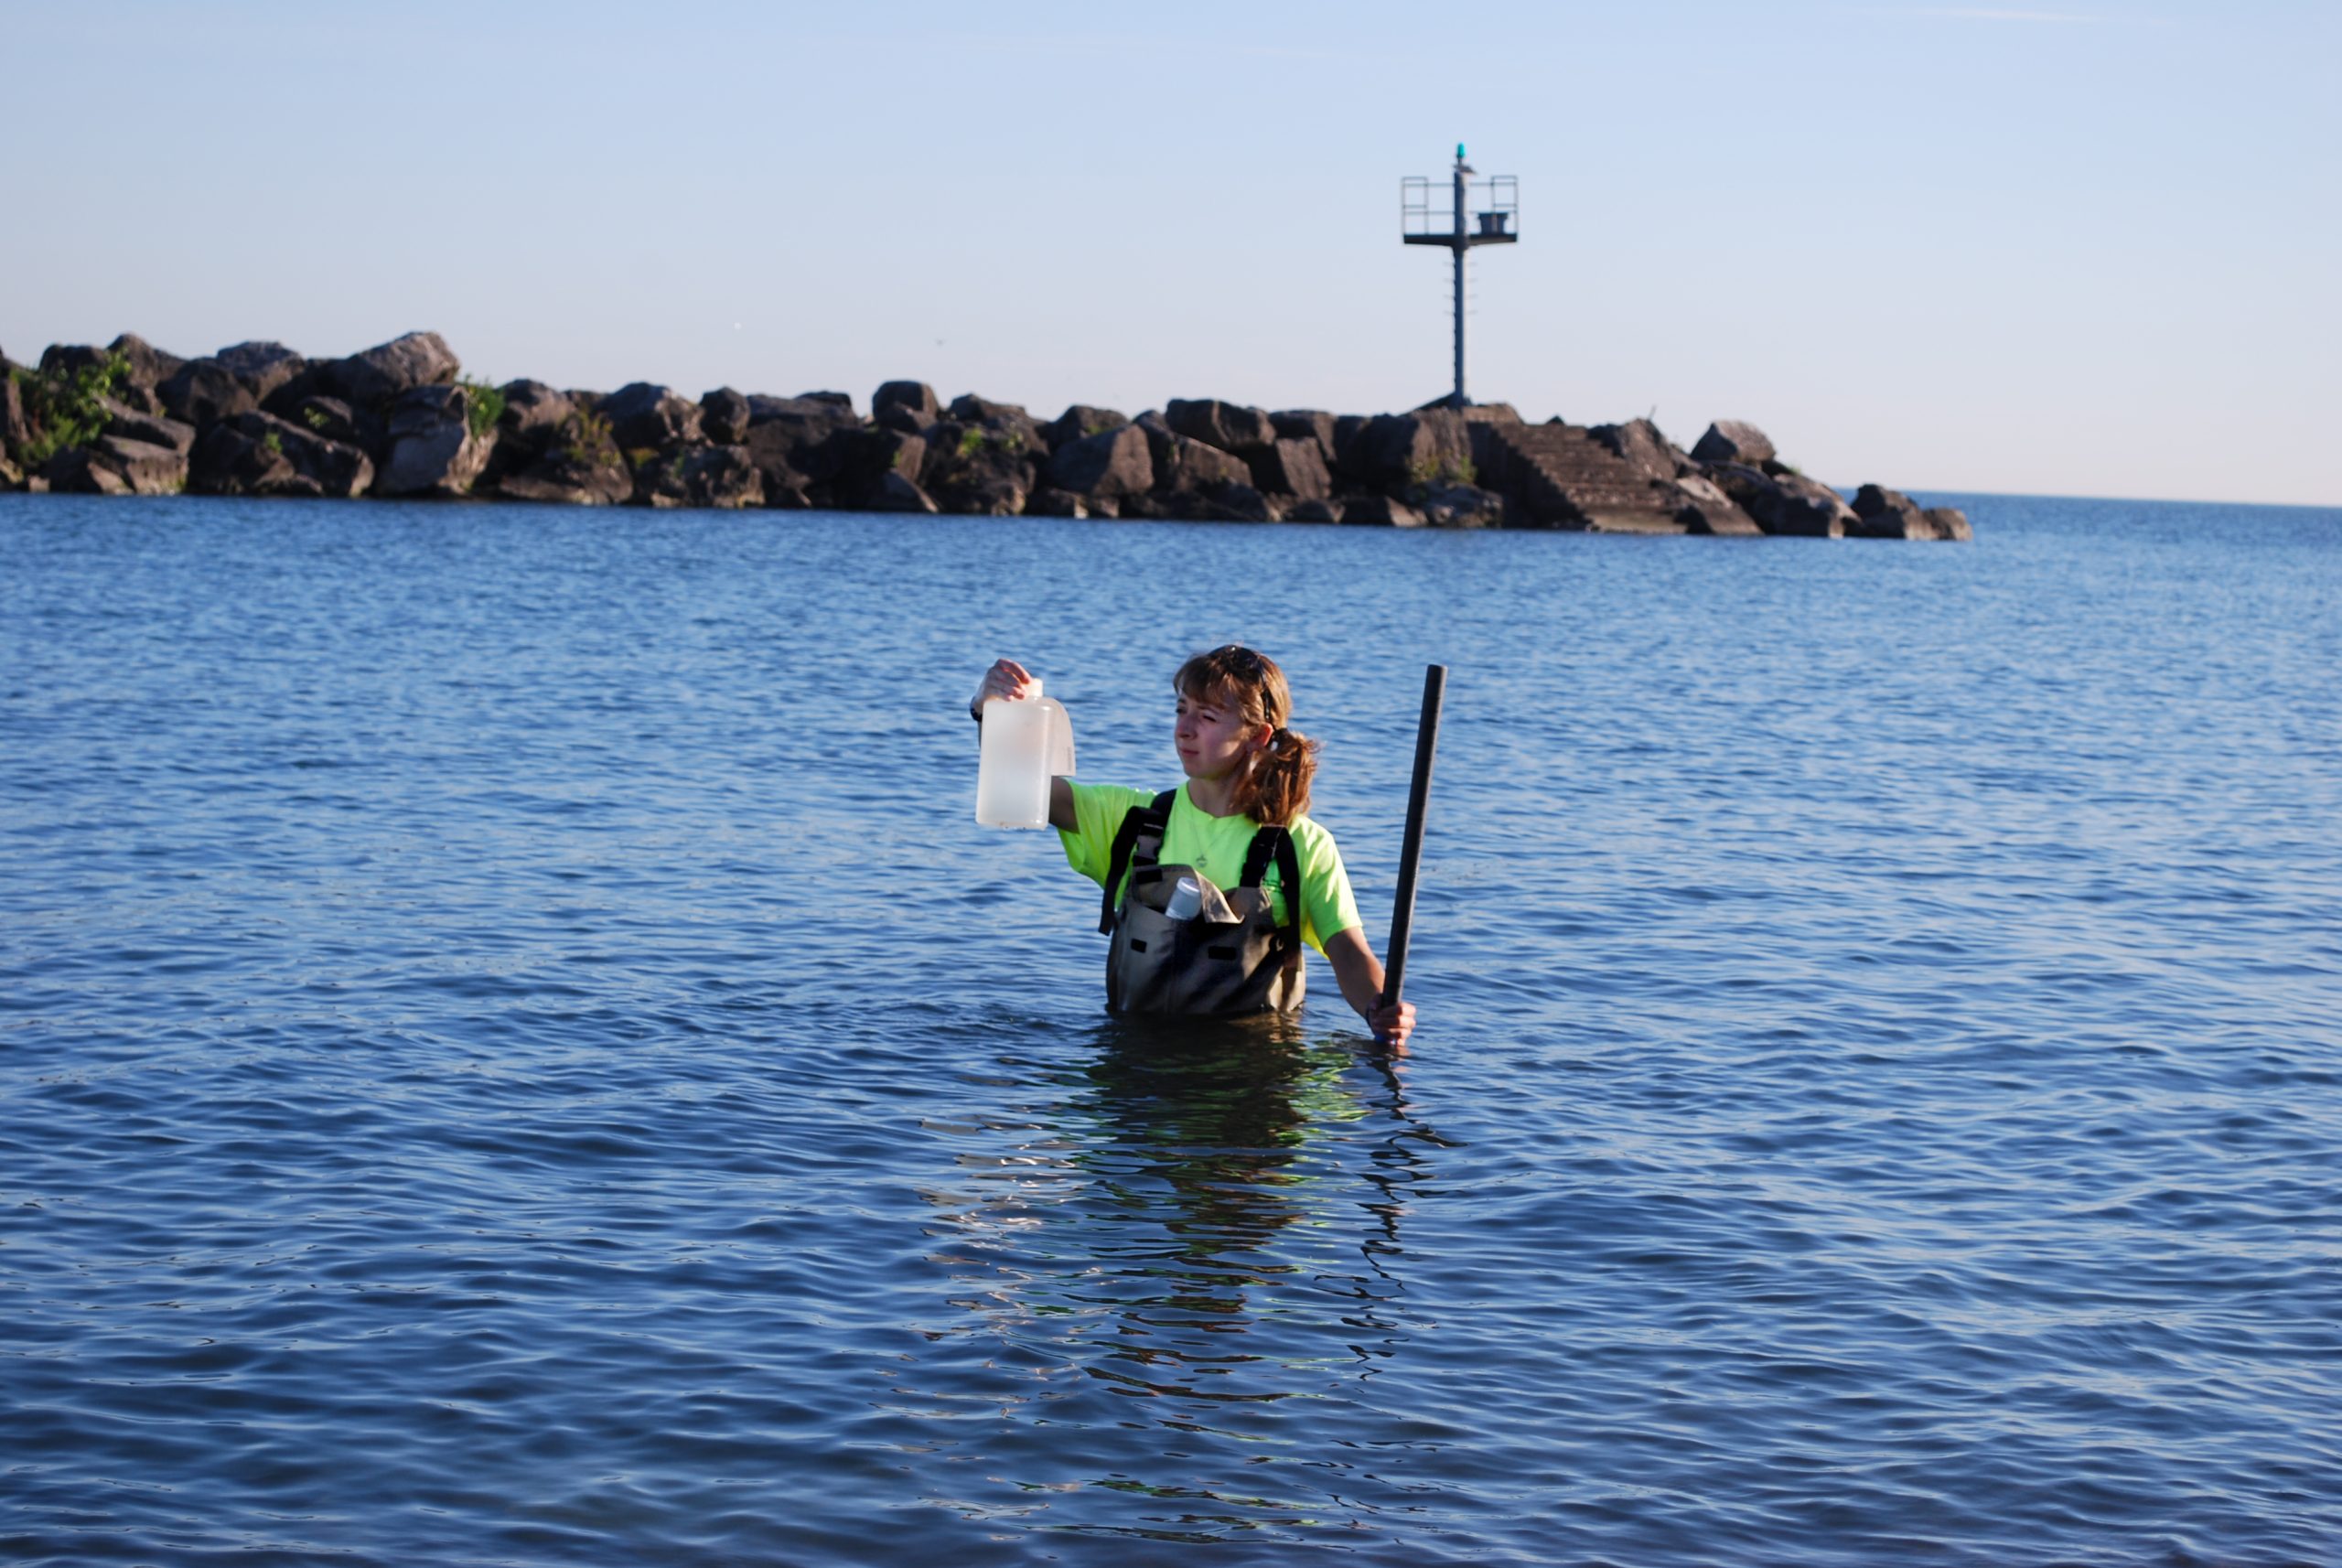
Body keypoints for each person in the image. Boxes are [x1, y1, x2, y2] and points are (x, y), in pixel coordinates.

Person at [972, 645, 1416, 1048]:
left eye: (1206, 717)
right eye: (1181, 709)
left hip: (1252, 1081)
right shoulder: (1135, 819)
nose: (1184, 729)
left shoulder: (1302, 844)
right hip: (1135, 1079)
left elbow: (1351, 955)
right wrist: (990, 712)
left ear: (1258, 736)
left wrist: (1381, 1008)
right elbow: (1024, 790)